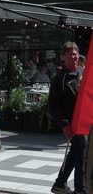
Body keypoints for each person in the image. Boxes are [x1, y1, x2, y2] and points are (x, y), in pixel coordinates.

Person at [48, 42, 86, 194]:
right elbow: (54, 106)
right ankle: (80, 189)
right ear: (63, 56)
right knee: (81, 155)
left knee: (75, 153)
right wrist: (65, 125)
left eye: (75, 52)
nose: (74, 56)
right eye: (70, 53)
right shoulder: (59, 79)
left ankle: (60, 183)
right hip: (73, 124)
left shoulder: (83, 74)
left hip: (85, 121)